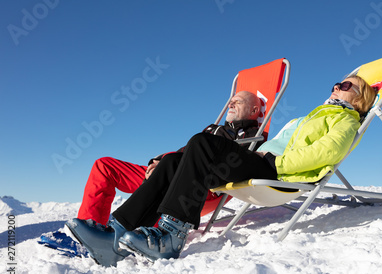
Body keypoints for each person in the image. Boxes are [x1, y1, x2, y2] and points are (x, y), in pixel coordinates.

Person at [66, 75, 377, 266]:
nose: (337, 86)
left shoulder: (346, 120)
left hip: (274, 169)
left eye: (346, 85)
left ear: (360, 97)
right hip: (267, 163)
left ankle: (171, 235)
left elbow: (327, 152)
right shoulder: (320, 113)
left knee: (203, 143)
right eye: (337, 83)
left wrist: (279, 165)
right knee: (176, 161)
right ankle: (115, 234)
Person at [77, 90, 264, 226]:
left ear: (254, 109)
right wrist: (158, 161)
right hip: (171, 169)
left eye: (237, 102)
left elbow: (234, 167)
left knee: (174, 167)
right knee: (104, 166)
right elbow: (183, 151)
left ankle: (129, 228)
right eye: (230, 101)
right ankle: (89, 227)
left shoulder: (252, 134)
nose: (230, 104)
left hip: (198, 187)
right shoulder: (212, 129)